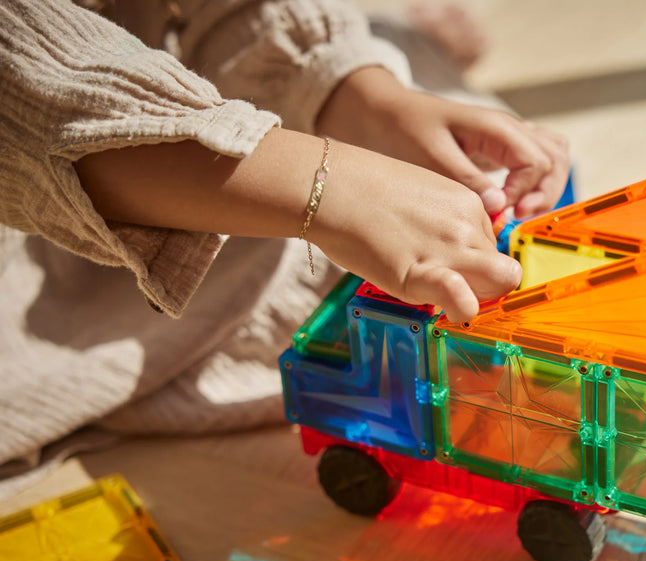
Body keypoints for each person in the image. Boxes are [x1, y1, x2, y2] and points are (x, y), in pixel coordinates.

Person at [0, 0, 569, 490]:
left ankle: (386, 61)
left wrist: (367, 99)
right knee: (323, 312)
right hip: (51, 213)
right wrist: (327, 186)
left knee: (490, 169)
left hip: (180, 93)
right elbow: (27, 99)